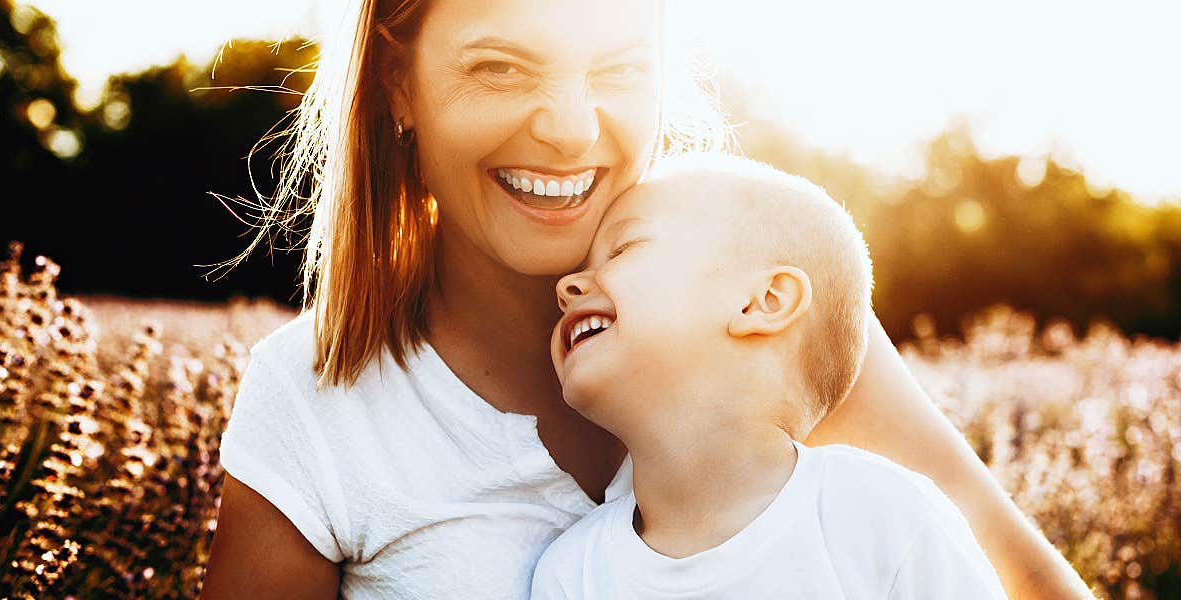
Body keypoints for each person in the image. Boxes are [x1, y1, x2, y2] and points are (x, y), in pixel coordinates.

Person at [199, 0, 1094, 598]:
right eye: (501, 68)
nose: (571, 126)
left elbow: (1018, 578)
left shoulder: (774, 318)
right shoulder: (316, 398)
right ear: (398, 82)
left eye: (619, 69)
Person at [530, 153, 1006, 598]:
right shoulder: (574, 575)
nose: (566, 287)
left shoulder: (884, 516)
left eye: (623, 248)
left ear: (763, 302)